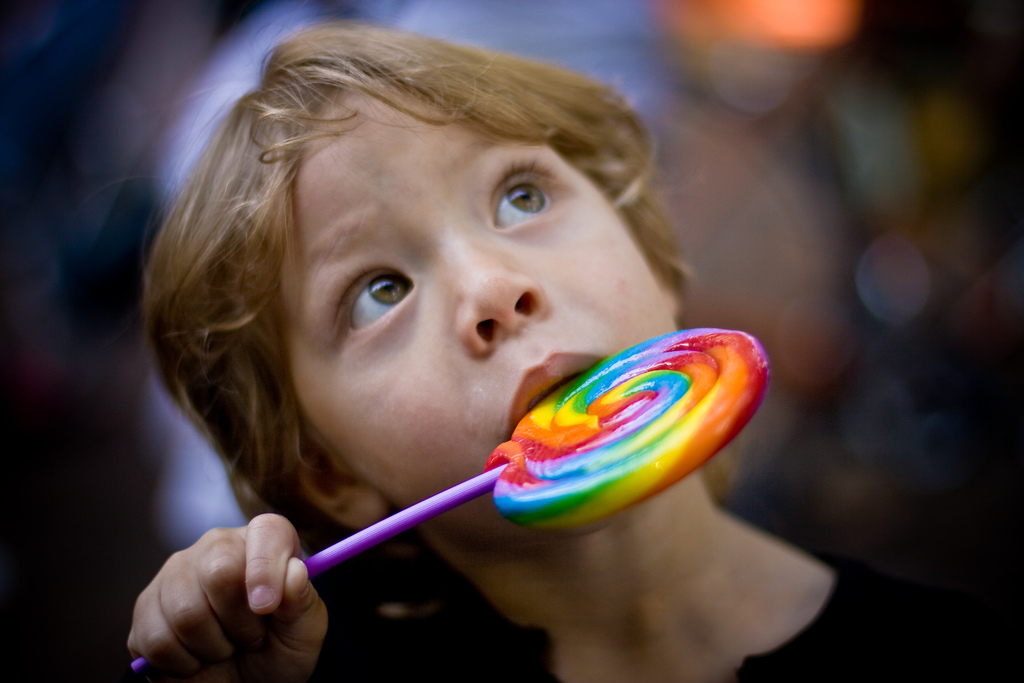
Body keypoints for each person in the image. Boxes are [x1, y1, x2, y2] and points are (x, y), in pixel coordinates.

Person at [123, 22, 1013, 682]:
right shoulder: (312, 665)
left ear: (651, 256)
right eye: (378, 290)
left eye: (518, 196)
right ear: (327, 473)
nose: (492, 289)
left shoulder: (934, 651)